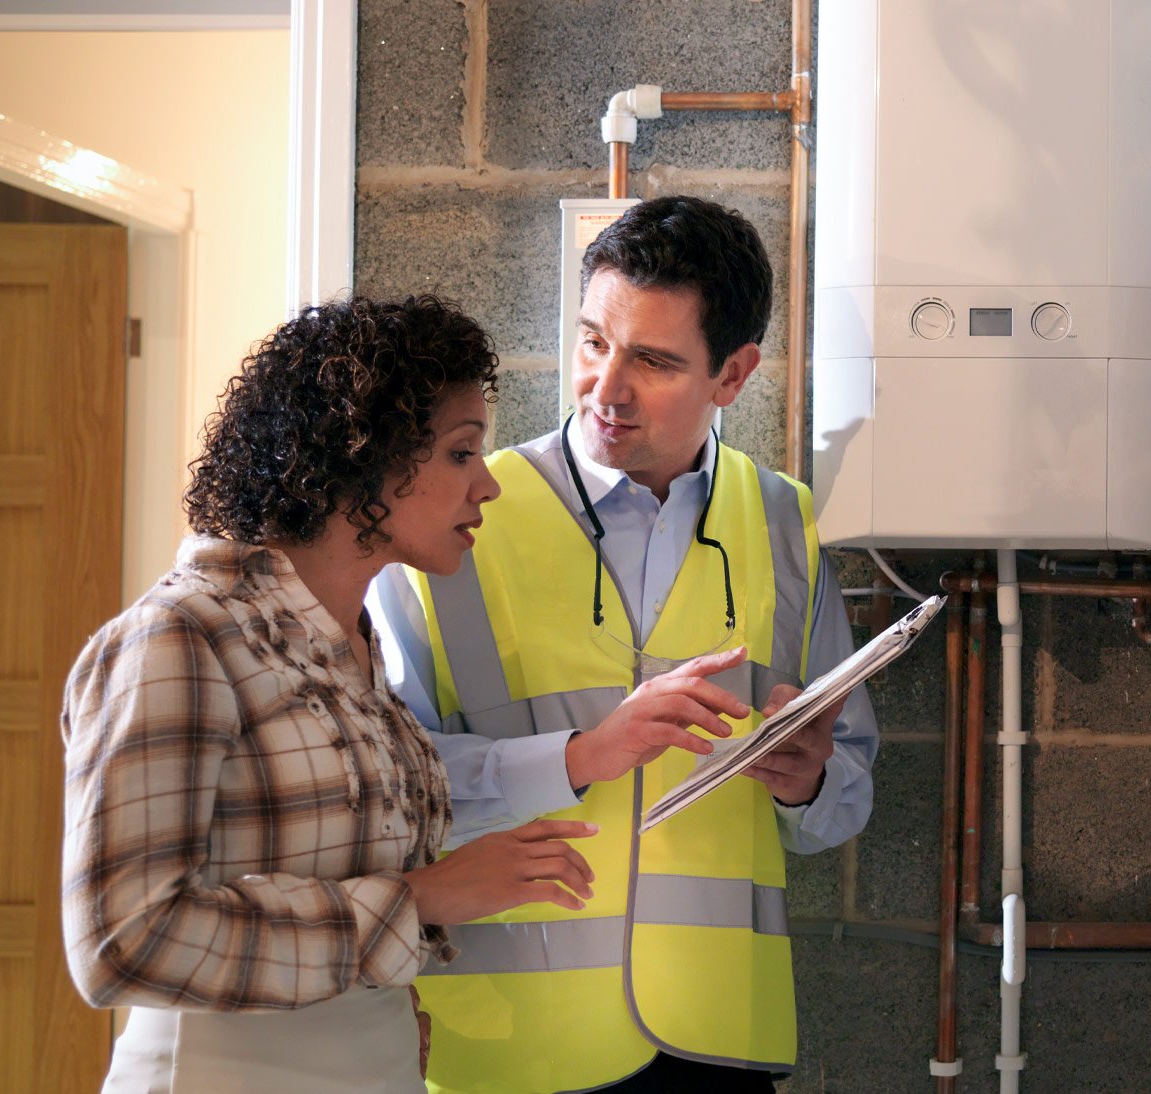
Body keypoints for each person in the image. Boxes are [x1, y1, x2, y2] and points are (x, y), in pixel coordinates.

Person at [369, 195, 879, 1093]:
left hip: (718, 1044)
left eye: (652, 359)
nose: (607, 387)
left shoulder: (788, 523)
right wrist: (576, 757)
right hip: (508, 1048)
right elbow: (385, 790)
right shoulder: (453, 515)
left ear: (734, 374)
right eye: (594, 342)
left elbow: (847, 795)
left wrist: (808, 782)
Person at [59, 296, 602, 1093]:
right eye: (461, 453)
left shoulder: (353, 647)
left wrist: (385, 1013)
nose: (487, 485)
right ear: (363, 457)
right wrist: (420, 899)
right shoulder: (181, 637)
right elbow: (123, 942)